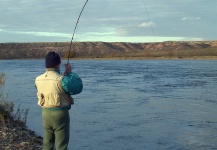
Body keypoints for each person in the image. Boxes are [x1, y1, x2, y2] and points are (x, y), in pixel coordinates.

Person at [35, 51, 83, 150]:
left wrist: (64, 76)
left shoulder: (38, 79)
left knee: (47, 144)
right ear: (58, 64)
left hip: (45, 113)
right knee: (62, 145)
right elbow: (77, 88)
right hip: (60, 115)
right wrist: (69, 74)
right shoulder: (62, 79)